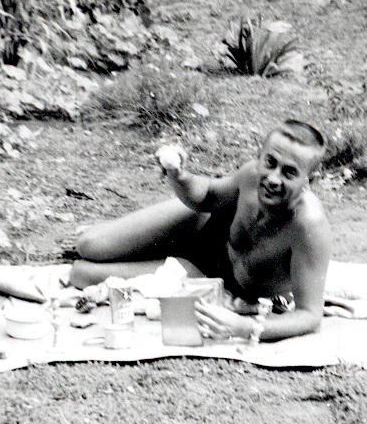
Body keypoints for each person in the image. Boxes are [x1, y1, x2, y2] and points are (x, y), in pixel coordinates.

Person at [70, 119, 331, 343]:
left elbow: (310, 315)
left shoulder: (308, 226)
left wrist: (245, 327)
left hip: (207, 276)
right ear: (259, 157)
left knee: (81, 274)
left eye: (289, 173)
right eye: (270, 162)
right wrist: (177, 174)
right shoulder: (251, 176)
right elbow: (206, 195)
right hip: (200, 222)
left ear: (310, 180)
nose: (273, 179)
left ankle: (153, 250)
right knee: (88, 244)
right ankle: (139, 240)